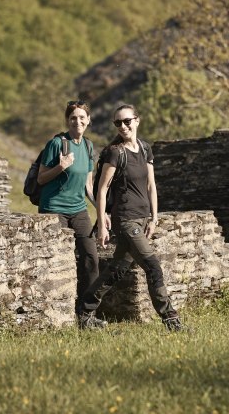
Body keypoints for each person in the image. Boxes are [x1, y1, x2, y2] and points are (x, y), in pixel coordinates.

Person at [77, 104, 182, 331]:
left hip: (143, 218)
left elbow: (151, 185)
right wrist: (103, 224)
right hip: (125, 220)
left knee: (117, 269)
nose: (122, 126)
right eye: (117, 123)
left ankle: (85, 312)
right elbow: (102, 189)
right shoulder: (115, 152)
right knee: (153, 266)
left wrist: (154, 218)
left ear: (137, 120)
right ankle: (171, 319)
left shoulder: (144, 149)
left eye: (126, 121)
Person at [38, 100, 105, 326]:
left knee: (91, 259)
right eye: (73, 118)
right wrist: (60, 167)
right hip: (53, 209)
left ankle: (87, 314)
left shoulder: (88, 147)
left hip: (79, 211)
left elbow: (88, 186)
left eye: (81, 117)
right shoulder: (57, 144)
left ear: (88, 121)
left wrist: (101, 210)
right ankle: (54, 315)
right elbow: (41, 178)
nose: (77, 121)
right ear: (68, 121)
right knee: (56, 260)